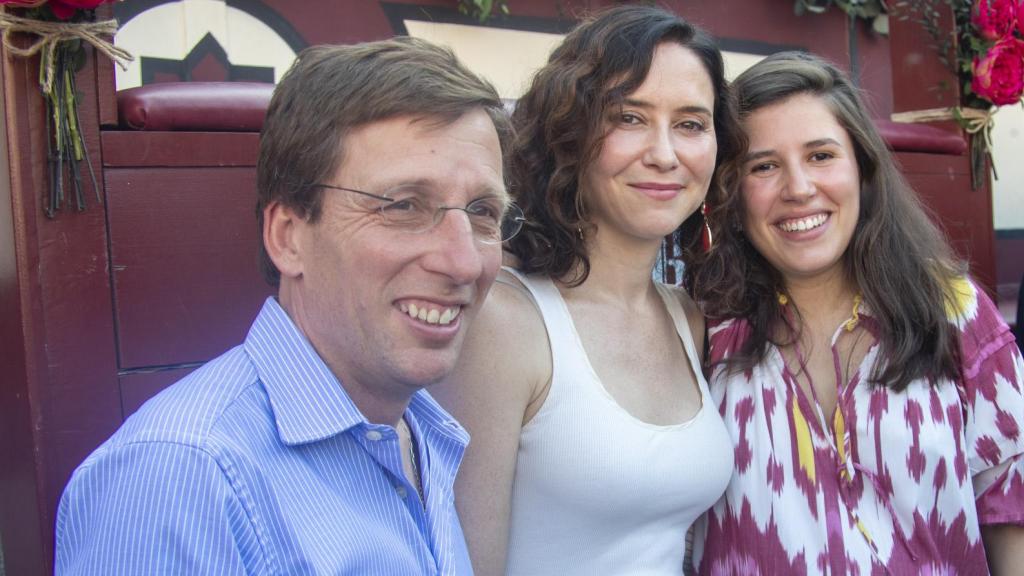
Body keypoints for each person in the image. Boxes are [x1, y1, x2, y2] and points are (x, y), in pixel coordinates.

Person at [54, 37, 522, 575]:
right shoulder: (179, 475)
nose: (464, 262)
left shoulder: (422, 429)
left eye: (484, 212)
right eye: (404, 206)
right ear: (288, 236)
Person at [431, 6, 741, 575]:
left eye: (692, 124)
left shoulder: (686, 316)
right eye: (629, 117)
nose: (666, 154)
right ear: (570, 133)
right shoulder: (503, 321)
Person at [689, 51, 1024, 575]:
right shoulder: (706, 328)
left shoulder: (951, 308)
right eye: (765, 165)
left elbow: (1011, 507)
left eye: (821, 155)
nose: (798, 189)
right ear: (732, 188)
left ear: (863, 170)